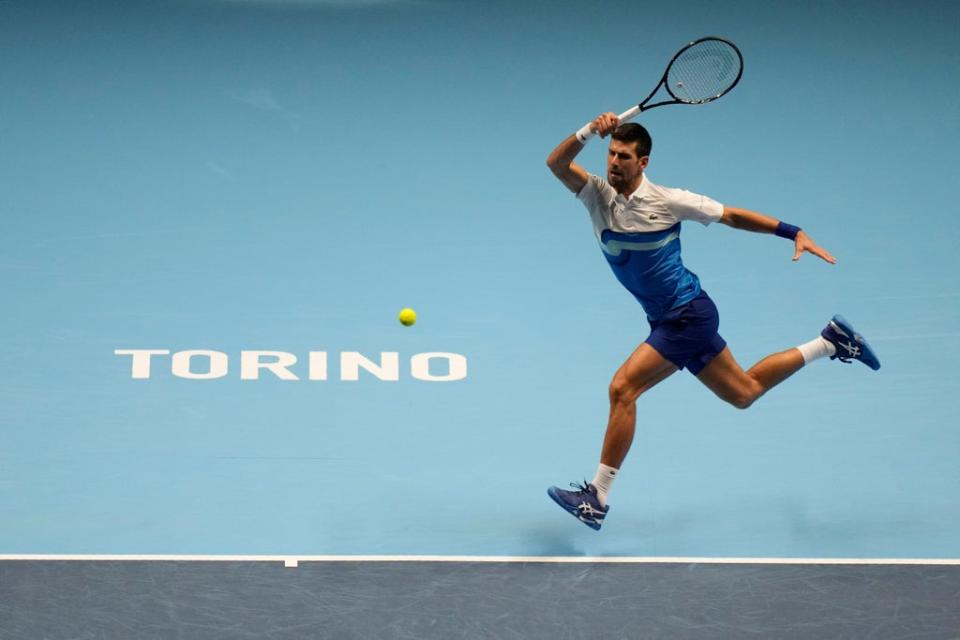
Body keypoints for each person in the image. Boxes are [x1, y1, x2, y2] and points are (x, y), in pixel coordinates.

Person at [545, 112, 880, 531]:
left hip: (686, 316)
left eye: (624, 157)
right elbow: (556, 164)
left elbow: (732, 216)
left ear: (643, 162)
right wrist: (586, 132)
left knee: (623, 388)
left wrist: (793, 231)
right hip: (670, 318)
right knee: (743, 392)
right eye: (611, 154)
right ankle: (831, 342)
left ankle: (597, 496)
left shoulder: (669, 200)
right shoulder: (595, 193)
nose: (613, 163)